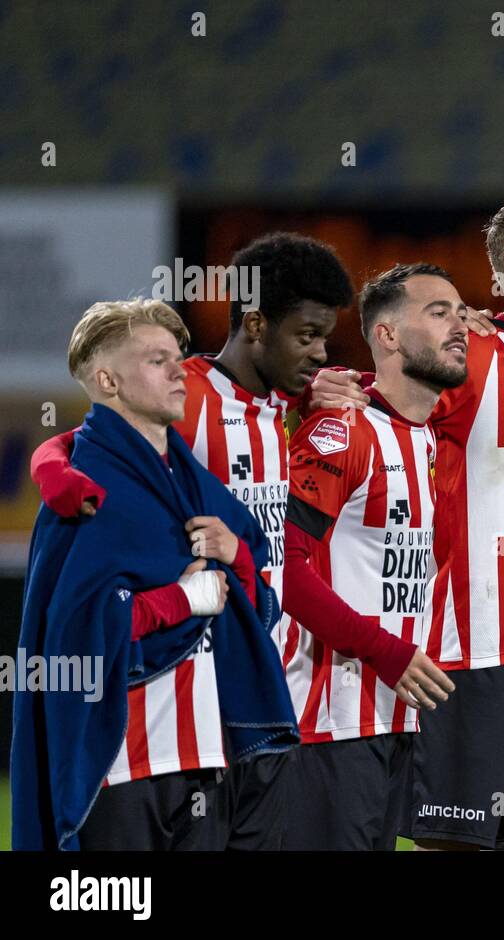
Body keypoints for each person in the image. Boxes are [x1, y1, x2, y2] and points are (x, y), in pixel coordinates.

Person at [28, 232, 368, 849]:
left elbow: (262, 553)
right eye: (307, 335)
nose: (320, 353)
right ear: (257, 324)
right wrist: (53, 472)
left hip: (251, 702)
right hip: (163, 713)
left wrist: (237, 557)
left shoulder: (281, 416)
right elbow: (88, 437)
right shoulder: (184, 394)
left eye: (325, 338)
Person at [12, 299, 296, 850]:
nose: (176, 370)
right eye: (156, 360)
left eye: (178, 357)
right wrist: (181, 600)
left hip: (208, 757)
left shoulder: (195, 484)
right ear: (107, 380)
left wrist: (236, 554)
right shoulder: (85, 490)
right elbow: (77, 633)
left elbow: (258, 600)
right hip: (121, 768)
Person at [281, 263, 463, 849]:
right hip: (326, 723)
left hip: (393, 718)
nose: (458, 326)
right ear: (386, 336)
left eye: (461, 313)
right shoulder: (341, 430)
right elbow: (280, 569)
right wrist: (384, 651)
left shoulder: (427, 437)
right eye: (438, 313)